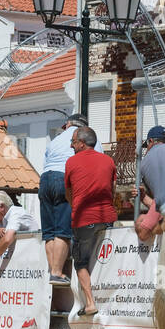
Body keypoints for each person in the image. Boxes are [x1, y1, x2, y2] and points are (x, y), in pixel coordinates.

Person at [65, 126, 116, 317]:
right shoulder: (109, 161)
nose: (71, 146)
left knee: (81, 262)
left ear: (82, 143)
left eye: (73, 142)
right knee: (107, 260)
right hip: (107, 217)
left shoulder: (71, 162)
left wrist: (77, 206)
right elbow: (112, 189)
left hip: (84, 219)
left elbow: (68, 193)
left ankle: (90, 303)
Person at [39, 114, 95, 285]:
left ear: (68, 124)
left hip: (45, 179)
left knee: (49, 232)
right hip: (64, 177)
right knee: (63, 228)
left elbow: (46, 160)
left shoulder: (55, 140)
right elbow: (95, 160)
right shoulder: (86, 137)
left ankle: (54, 272)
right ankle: (57, 271)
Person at [0, 190, 39, 274]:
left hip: (32, 264)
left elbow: (7, 239)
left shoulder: (16, 213)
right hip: (20, 265)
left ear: (1, 206)